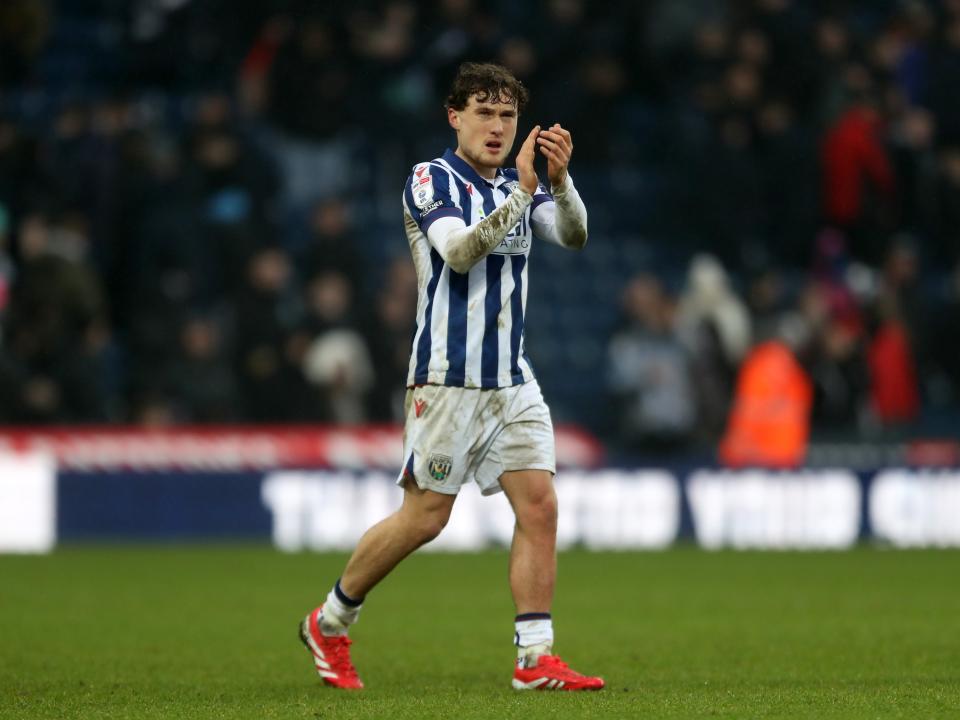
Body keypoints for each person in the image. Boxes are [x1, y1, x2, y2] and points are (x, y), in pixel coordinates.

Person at [298, 62, 603, 692]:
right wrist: (523, 192)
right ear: (454, 117)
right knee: (427, 517)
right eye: (484, 113)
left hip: (512, 381)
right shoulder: (429, 179)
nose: (496, 127)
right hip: (446, 377)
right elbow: (460, 251)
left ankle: (534, 658)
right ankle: (330, 621)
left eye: (508, 116)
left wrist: (560, 180)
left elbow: (573, 237)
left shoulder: (524, 184)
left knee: (540, 505)